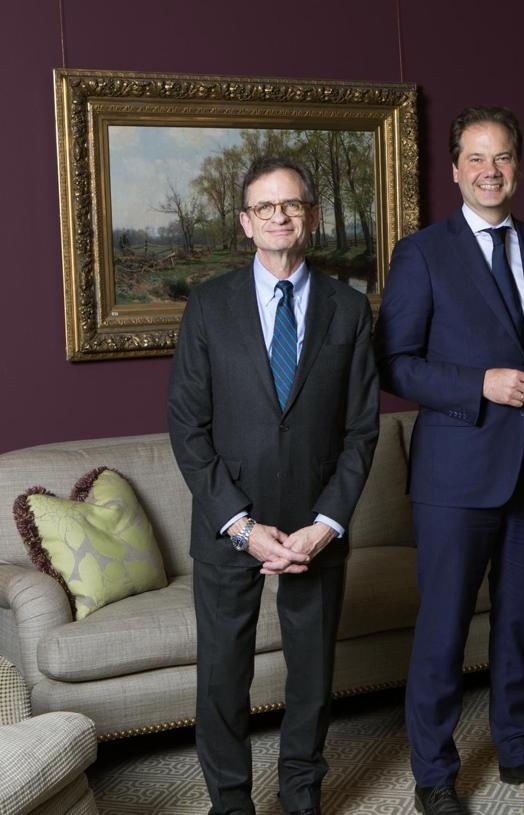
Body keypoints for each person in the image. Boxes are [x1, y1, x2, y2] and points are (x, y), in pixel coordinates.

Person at [374, 106, 524, 815]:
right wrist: (479, 384)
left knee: (521, 624)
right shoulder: (422, 253)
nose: (490, 170)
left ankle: (519, 752)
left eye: (502, 157)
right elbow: (394, 363)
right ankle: (434, 774)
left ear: (517, 166)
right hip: (457, 475)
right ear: (455, 169)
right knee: (444, 630)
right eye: (476, 157)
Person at [167, 156, 379, 815]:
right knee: (222, 678)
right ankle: (231, 802)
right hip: (230, 523)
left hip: (316, 525)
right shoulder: (209, 305)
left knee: (312, 677)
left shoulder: (349, 308)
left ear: (310, 216)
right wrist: (240, 525)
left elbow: (362, 430)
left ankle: (301, 794)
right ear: (245, 222)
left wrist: (327, 524)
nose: (279, 216)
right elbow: (188, 427)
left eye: (291, 205)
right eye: (265, 206)